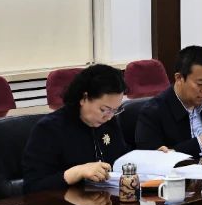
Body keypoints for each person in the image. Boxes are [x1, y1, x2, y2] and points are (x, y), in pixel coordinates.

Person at [22, 64, 130, 193]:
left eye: (115, 110)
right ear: (84, 98)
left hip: (105, 199)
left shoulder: (109, 123)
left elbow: (120, 160)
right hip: (64, 202)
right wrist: (76, 173)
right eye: (104, 109)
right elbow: (32, 186)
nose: (109, 116)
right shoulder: (49, 129)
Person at [135, 46, 202, 157]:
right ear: (179, 78)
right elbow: (149, 158)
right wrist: (200, 142)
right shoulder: (152, 112)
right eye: (200, 84)